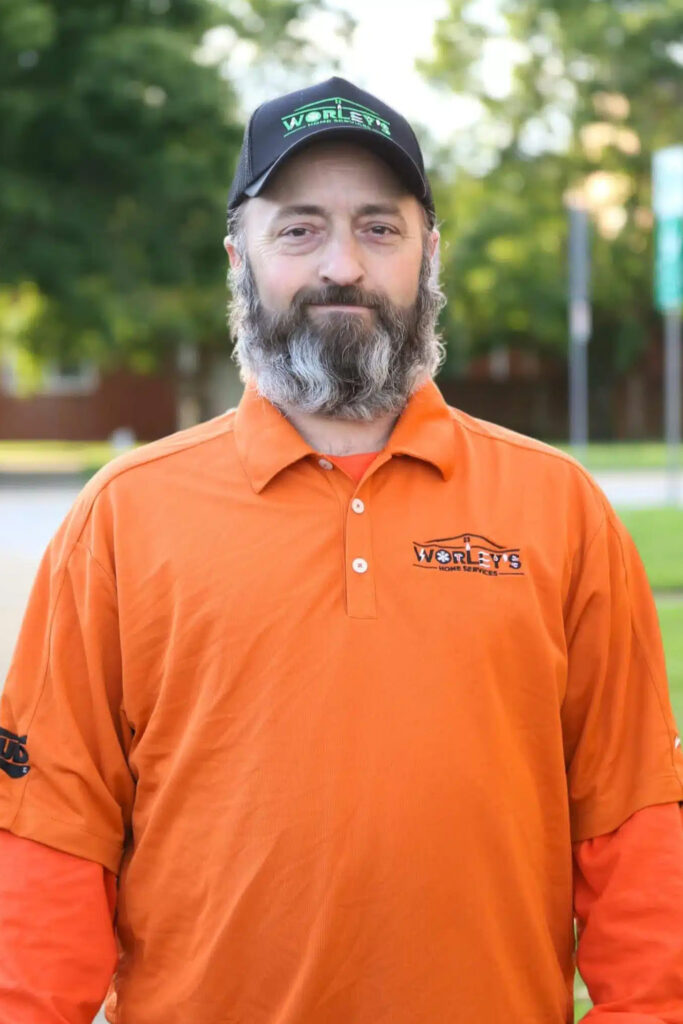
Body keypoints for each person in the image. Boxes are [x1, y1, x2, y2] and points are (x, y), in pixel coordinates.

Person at [1, 76, 683, 1024]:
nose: (342, 265)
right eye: (299, 229)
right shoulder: (121, 518)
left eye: (378, 227)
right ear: (239, 256)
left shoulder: (559, 509)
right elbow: (49, 846)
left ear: (427, 253)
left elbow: (633, 833)